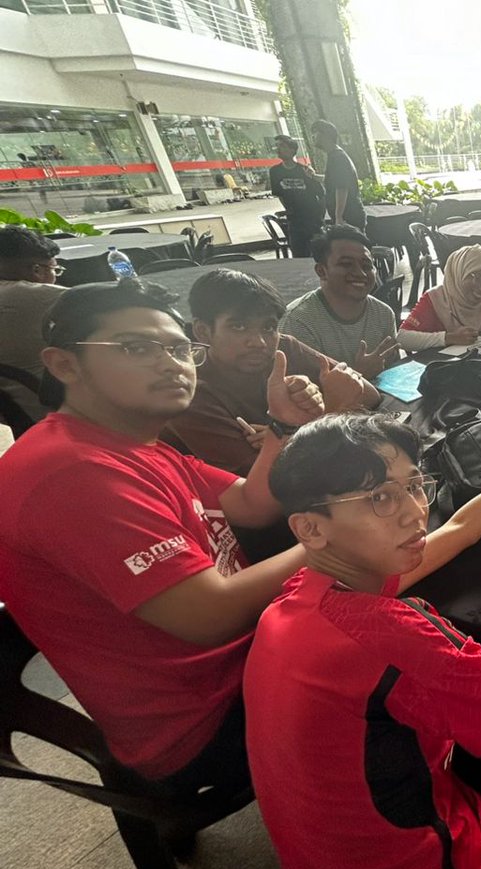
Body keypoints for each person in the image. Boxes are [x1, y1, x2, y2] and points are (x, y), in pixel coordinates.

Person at [244, 413, 481, 869]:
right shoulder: (386, 638)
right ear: (310, 528)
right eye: (380, 498)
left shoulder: (306, 591)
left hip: (321, 866)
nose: (414, 512)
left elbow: (457, 530)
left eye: (414, 486)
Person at [0, 278, 324, 786]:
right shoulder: (70, 471)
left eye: (178, 349)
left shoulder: (134, 443)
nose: (170, 363)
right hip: (200, 721)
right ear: (64, 364)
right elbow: (209, 615)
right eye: (136, 347)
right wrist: (335, 538)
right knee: (411, 665)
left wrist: (282, 426)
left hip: (242, 660)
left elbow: (252, 503)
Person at [164, 268, 382, 476]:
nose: (258, 342)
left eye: (268, 327)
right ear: (203, 331)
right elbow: (265, 486)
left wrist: (293, 432)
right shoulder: (188, 392)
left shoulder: (282, 349)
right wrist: (331, 411)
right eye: (238, 327)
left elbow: (369, 394)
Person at [281, 225, 435, 375]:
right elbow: (299, 394)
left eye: (367, 265)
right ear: (322, 271)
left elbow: (393, 377)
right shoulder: (298, 322)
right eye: (346, 264)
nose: (360, 273)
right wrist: (359, 374)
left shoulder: (383, 314)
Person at [0, 225, 66, 424]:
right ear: (37, 270)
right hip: (57, 409)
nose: (55, 277)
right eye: (55, 270)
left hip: (11, 410)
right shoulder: (40, 296)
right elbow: (117, 301)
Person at [404, 244, 481, 338]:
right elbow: (403, 337)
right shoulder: (435, 299)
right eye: (479, 279)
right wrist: (448, 338)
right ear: (460, 271)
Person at [268, 134, 325, 258]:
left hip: (312, 218)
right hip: (294, 220)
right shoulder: (275, 172)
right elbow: (280, 194)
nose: (279, 149)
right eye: (277, 146)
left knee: (318, 253)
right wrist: (290, 209)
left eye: (282, 146)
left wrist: (319, 216)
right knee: (299, 253)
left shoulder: (305, 170)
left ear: (293, 150)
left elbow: (320, 193)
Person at [310, 119, 365, 230]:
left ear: (325, 135)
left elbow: (342, 188)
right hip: (347, 214)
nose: (312, 137)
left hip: (349, 215)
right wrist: (313, 176)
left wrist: (339, 216)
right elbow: (333, 180)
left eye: (315, 132)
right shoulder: (334, 156)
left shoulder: (337, 158)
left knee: (351, 246)